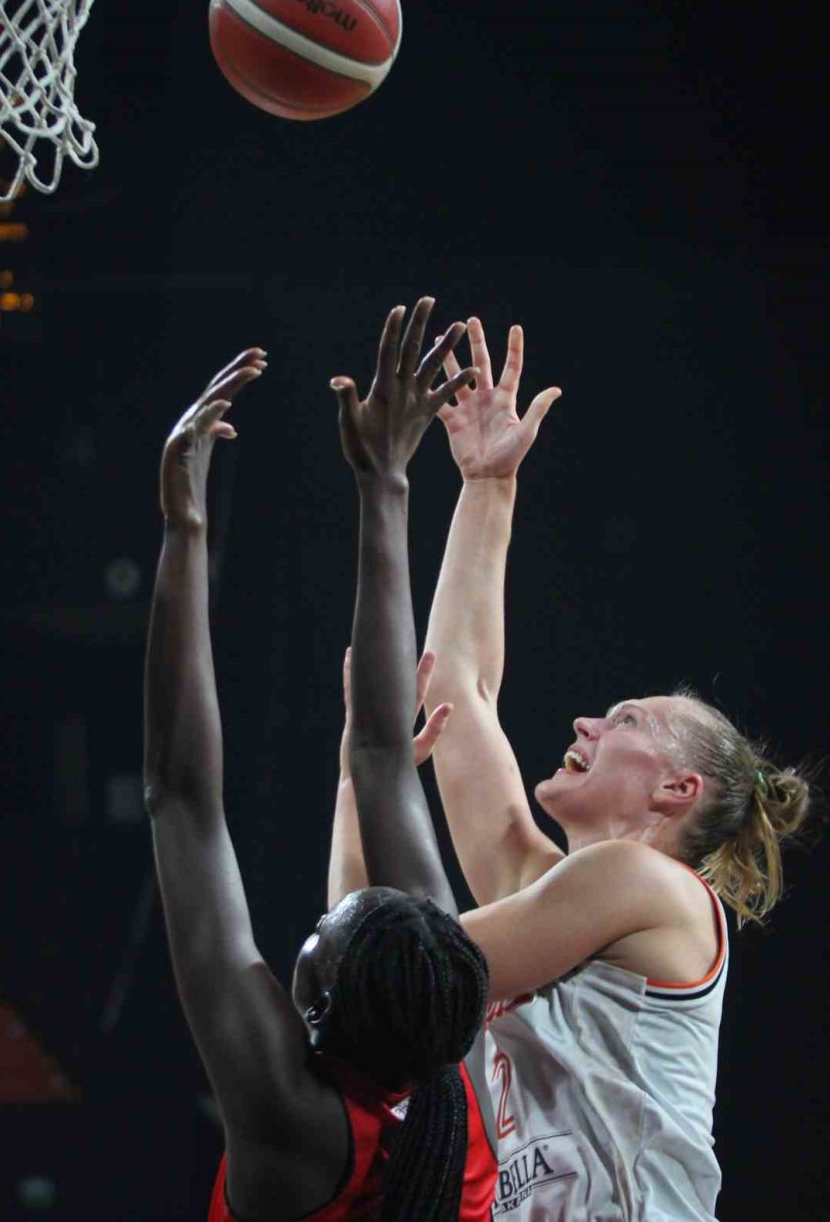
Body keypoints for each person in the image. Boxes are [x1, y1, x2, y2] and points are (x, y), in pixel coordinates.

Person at [330, 317, 811, 1219]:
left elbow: (406, 968)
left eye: (627, 719)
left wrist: (367, 782)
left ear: (677, 790)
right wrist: (486, 486)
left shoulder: (645, 884)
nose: (587, 719)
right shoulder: (554, 897)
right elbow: (459, 691)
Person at [143, 307, 497, 1222]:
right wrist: (384, 483)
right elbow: (381, 748)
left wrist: (187, 529)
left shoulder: (294, 1122)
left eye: (324, 928)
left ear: (314, 997)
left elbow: (184, 801)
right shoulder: (434, 1048)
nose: (341, 898)